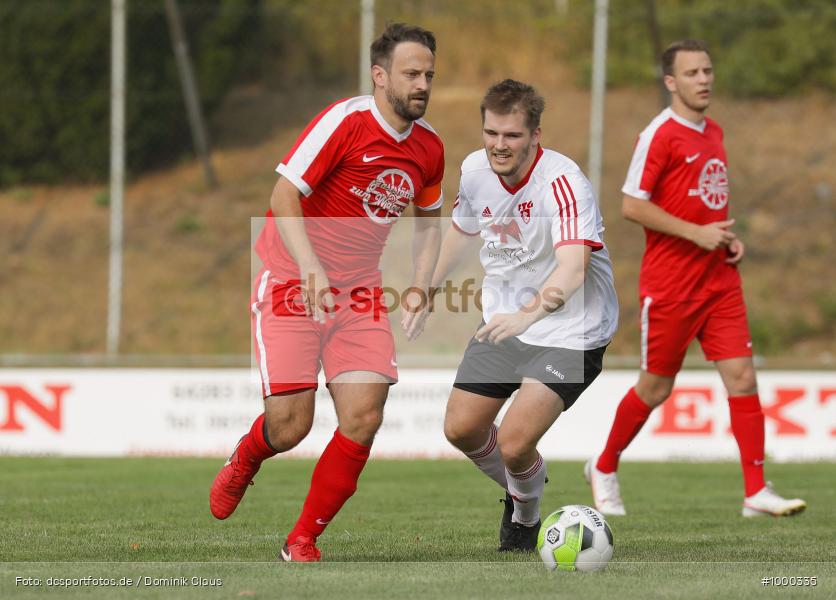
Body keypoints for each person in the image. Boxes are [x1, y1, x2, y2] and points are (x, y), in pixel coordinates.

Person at [209, 23, 444, 562]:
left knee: (364, 414)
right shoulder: (345, 122)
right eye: (411, 73)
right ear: (379, 76)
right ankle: (247, 457)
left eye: (429, 74)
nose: (423, 83)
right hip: (293, 280)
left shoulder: (429, 147)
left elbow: (429, 223)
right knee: (290, 427)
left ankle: (302, 539)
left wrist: (421, 285)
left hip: (359, 293)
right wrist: (311, 267)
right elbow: (284, 193)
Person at [585, 40, 806, 518]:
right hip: (671, 286)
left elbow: (706, 202)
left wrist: (725, 240)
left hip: (719, 280)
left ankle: (755, 491)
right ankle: (603, 466)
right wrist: (695, 233)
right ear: (671, 82)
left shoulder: (715, 132)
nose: (704, 79)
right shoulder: (659, 135)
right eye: (692, 73)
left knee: (743, 378)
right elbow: (631, 205)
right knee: (656, 388)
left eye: (708, 70)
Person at [426, 79, 618, 552]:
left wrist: (526, 318)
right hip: (504, 319)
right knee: (461, 429)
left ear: (535, 134)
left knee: (513, 443)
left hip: (572, 332)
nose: (498, 145)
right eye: (491, 133)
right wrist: (426, 286)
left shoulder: (564, 182)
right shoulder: (474, 169)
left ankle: (526, 516)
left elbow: (574, 269)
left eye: (511, 135)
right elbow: (461, 230)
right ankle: (525, 489)